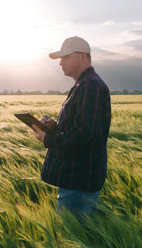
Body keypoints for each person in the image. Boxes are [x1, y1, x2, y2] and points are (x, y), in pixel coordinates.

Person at [31, 36, 111, 218]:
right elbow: (80, 126)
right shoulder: (83, 84)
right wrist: (54, 126)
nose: (61, 63)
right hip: (76, 178)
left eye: (65, 57)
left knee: (72, 236)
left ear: (82, 57)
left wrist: (47, 138)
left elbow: (84, 132)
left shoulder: (90, 85)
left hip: (79, 180)